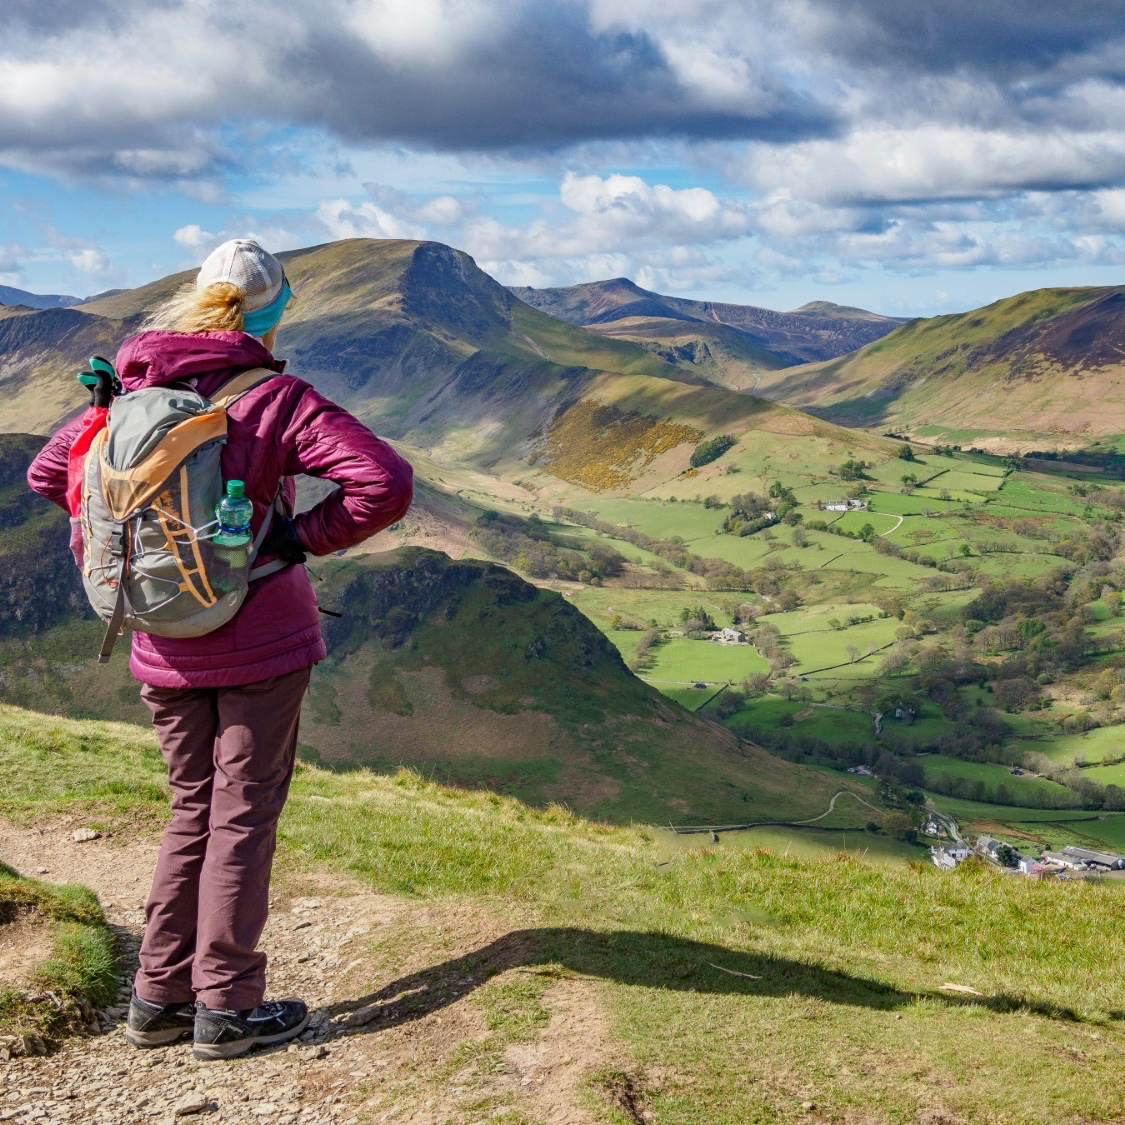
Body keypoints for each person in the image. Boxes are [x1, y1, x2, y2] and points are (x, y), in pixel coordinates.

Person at [27, 239, 413, 1060]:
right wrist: (296, 540)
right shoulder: (274, 397)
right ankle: (229, 1005)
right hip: (261, 638)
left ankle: (158, 996)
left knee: (190, 807)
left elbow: (44, 472)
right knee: (242, 814)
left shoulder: (127, 390)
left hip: (159, 632)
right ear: (273, 312)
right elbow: (383, 482)